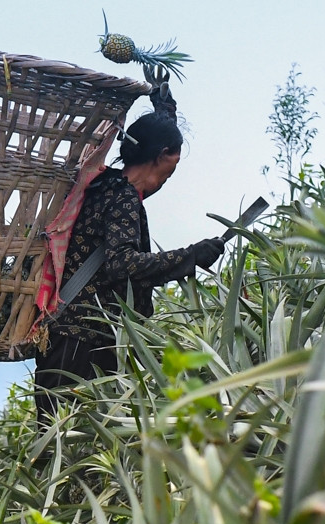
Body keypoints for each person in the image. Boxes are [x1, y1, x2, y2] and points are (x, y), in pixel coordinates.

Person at [34, 106, 225, 415]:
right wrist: (191, 256)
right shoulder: (123, 197)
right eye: (171, 169)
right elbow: (122, 264)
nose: (167, 180)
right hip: (84, 343)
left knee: (55, 433)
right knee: (76, 434)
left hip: (66, 338)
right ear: (161, 155)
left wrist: (165, 114)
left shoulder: (103, 186)